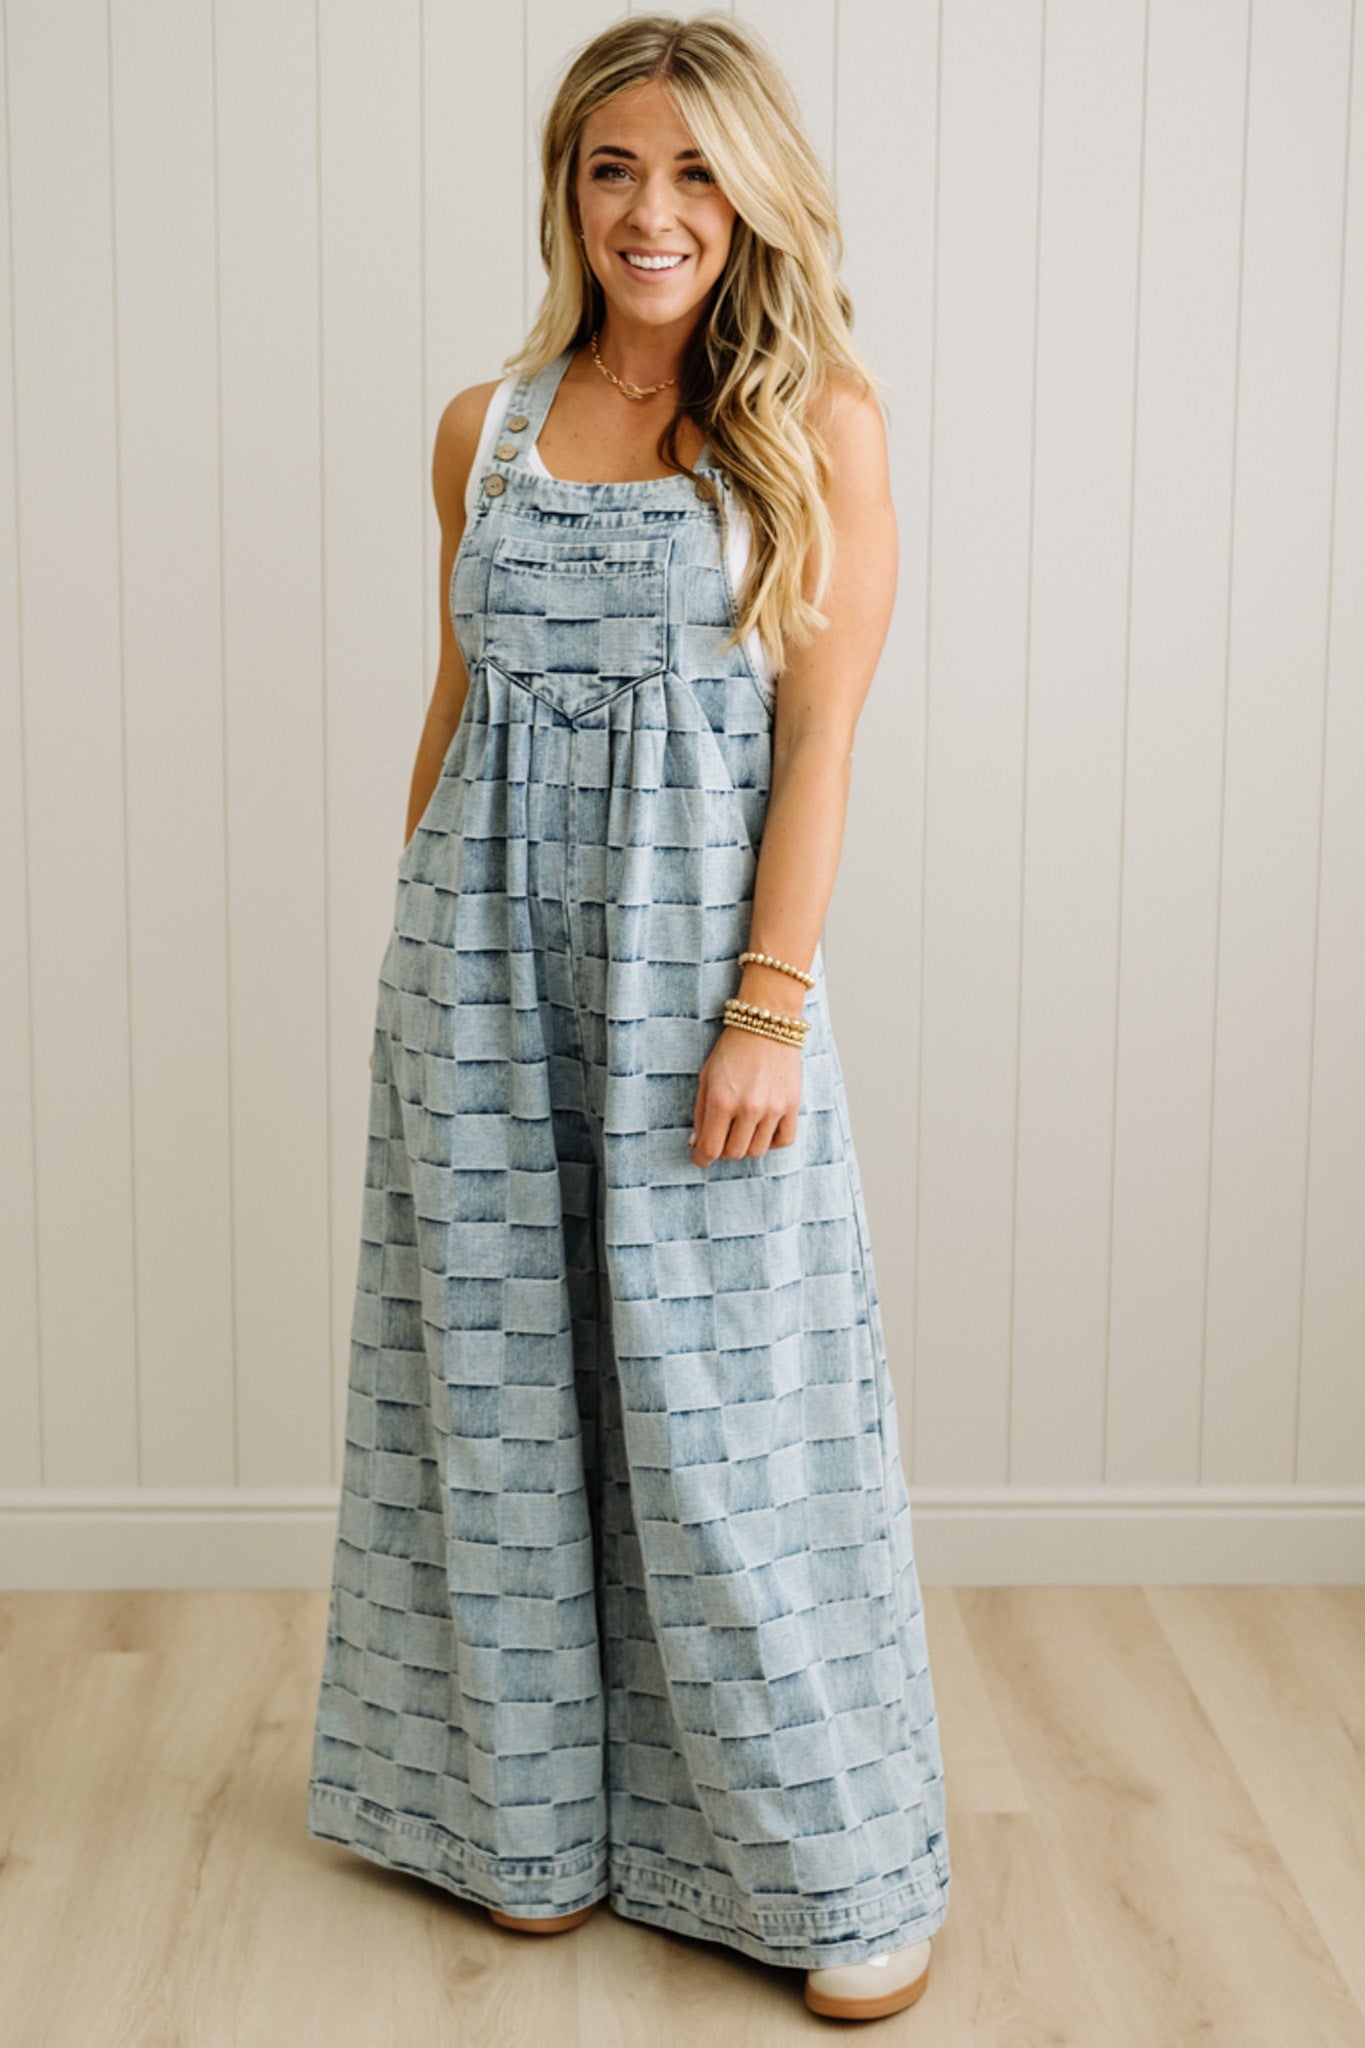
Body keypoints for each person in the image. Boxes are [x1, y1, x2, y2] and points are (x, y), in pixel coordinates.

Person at [305, 10, 951, 2024]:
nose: (650, 210)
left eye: (689, 169)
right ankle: (528, 1816)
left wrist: (766, 1003)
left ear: (748, 191)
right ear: (563, 194)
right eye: (610, 168)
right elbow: (457, 706)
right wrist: (412, 975)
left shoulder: (813, 422)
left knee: (723, 1426)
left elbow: (821, 742)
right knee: (498, 1414)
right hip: (477, 986)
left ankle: (821, 1856)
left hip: (697, 992)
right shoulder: (477, 425)